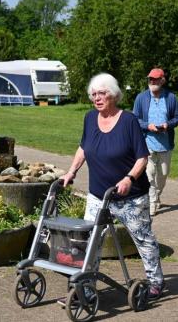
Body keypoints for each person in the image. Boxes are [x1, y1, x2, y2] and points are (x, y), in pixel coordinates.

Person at [62, 73, 165, 301]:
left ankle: (155, 281)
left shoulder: (128, 121)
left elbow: (142, 158)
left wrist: (129, 178)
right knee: (89, 242)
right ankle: (85, 285)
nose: (97, 98)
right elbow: (83, 148)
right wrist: (71, 171)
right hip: (99, 196)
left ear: (114, 95)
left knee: (143, 239)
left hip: (131, 197)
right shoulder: (90, 118)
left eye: (102, 93)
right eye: (93, 94)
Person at [133, 68, 178, 216]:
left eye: (155, 79)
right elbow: (135, 118)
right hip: (147, 141)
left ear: (162, 80)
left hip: (165, 143)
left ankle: (156, 195)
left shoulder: (171, 97)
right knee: (149, 174)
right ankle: (152, 202)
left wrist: (168, 125)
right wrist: (148, 126)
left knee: (163, 174)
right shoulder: (141, 97)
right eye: (150, 79)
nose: (152, 82)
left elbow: (177, 118)